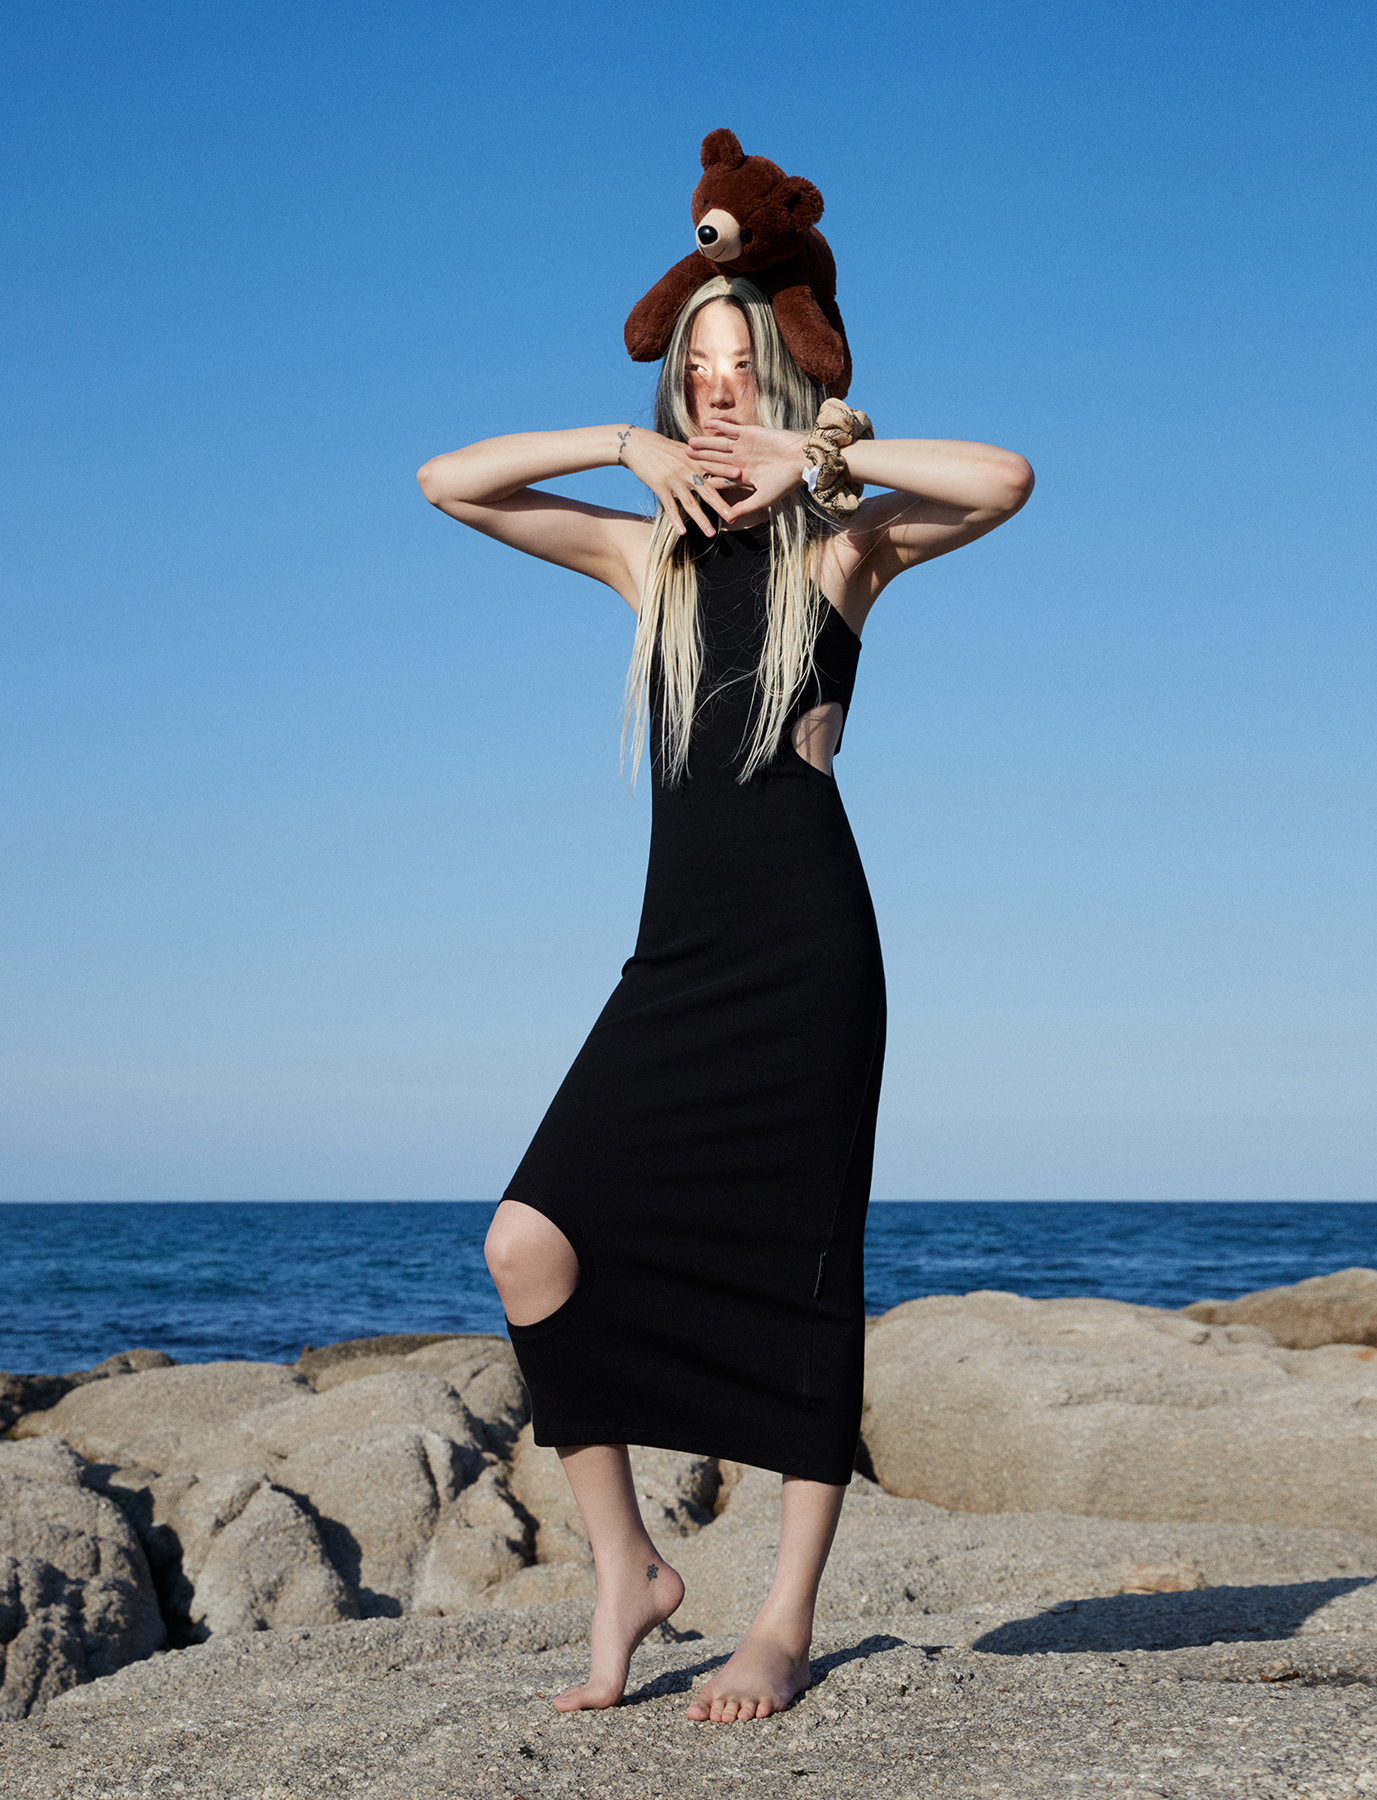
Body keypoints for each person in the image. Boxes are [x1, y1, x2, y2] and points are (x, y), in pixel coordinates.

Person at [417, 273, 1032, 1723]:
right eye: (694, 364)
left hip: (809, 953)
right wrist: (622, 450)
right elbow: (449, 482)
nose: (712, 383)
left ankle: (784, 1623)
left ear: (781, 378)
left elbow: (1003, 479)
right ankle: (626, 1566)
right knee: (527, 1242)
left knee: (802, 1270)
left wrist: (819, 459)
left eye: (739, 358)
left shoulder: (845, 548)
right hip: (676, 957)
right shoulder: (651, 560)